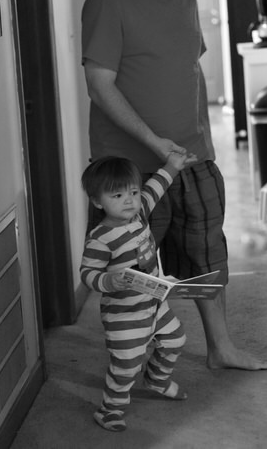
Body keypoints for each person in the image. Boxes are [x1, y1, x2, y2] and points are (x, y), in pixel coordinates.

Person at [81, 0, 267, 372]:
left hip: (190, 158)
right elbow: (99, 85)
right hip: (131, 171)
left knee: (207, 254)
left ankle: (221, 348)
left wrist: (201, 142)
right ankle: (132, 366)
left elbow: (191, 69)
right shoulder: (108, 1)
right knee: (135, 273)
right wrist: (155, 141)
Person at [80, 153, 195, 432]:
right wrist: (110, 281)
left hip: (154, 303)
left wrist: (172, 166)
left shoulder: (139, 211)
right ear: (98, 202)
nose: (129, 200)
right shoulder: (100, 237)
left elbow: (155, 187)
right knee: (126, 366)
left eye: (133, 192)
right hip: (124, 315)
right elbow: (87, 274)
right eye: (117, 196)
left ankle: (157, 379)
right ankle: (110, 410)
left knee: (176, 339)